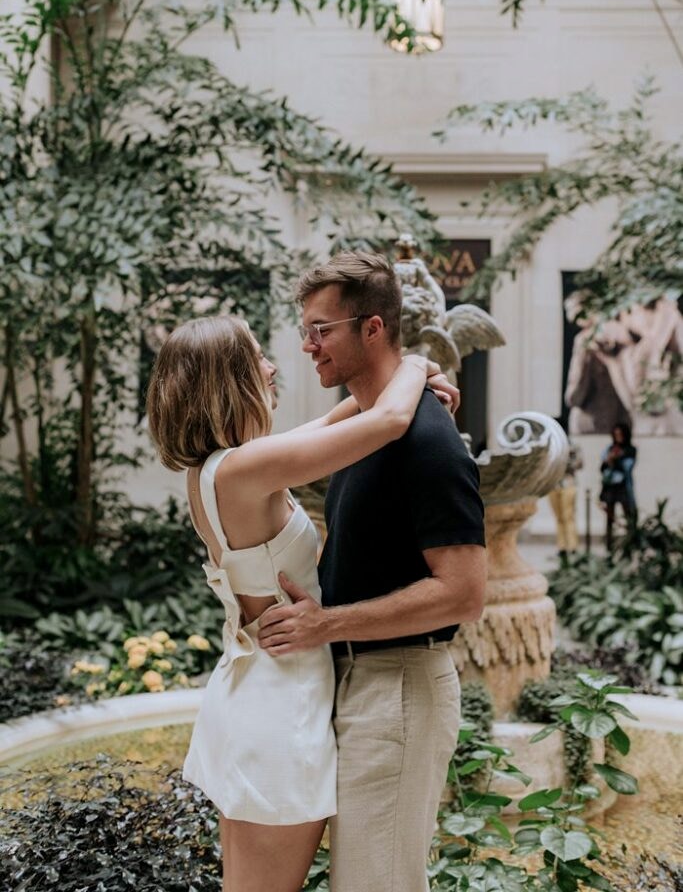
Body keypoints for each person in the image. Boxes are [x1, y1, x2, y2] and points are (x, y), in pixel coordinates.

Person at [145, 313, 458, 892]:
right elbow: (387, 422)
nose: (270, 367)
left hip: (258, 691)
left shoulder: (220, 469)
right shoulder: (245, 468)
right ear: (228, 378)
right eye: (257, 357)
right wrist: (413, 365)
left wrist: (392, 386)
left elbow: (332, 423)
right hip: (280, 706)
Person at [257, 251, 487, 892]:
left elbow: (465, 594)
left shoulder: (428, 439)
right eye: (306, 329)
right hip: (361, 685)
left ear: (373, 329)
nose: (308, 345)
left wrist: (325, 623)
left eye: (321, 329)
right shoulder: (367, 426)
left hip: (400, 692)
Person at [599, 422, 637, 551]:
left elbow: (627, 468)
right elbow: (602, 468)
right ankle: (609, 544)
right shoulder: (609, 449)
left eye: (620, 434)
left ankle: (631, 542)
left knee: (628, 514)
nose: (618, 437)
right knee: (610, 516)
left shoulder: (629, 450)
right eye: (616, 434)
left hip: (623, 487)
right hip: (610, 486)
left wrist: (616, 459)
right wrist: (609, 460)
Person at [547, 439, 583, 562]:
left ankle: (572, 547)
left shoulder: (572, 446)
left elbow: (579, 463)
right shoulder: (551, 446)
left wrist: (563, 462)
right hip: (554, 485)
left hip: (568, 483)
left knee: (568, 516)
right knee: (558, 517)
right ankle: (562, 547)